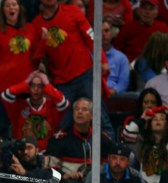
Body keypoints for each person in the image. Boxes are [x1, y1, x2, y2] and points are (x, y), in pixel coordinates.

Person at [33, 0, 114, 139]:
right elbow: (35, 58)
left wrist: (103, 61)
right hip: (60, 81)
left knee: (100, 118)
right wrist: (42, 42)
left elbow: (91, 39)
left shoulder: (73, 12)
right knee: (61, 124)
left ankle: (112, 154)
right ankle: (62, 157)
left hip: (85, 74)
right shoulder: (36, 24)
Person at [0, 0, 45, 137]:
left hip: (25, 87)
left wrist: (43, 42)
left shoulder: (31, 29)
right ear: (3, 10)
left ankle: (26, 157)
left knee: (26, 126)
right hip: (1, 87)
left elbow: (35, 59)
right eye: (7, 5)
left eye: (14, 4)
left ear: (19, 8)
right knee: (0, 126)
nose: (11, 8)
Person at [45, 97, 115, 183]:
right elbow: (49, 171)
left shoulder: (103, 140)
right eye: (77, 109)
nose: (79, 112)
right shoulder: (59, 139)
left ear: (92, 115)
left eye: (84, 109)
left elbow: (110, 168)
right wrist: (66, 175)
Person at [1, 70, 69, 150]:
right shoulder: (19, 106)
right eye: (32, 85)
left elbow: (64, 103)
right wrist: (26, 82)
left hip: (47, 153)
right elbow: (5, 95)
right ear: (28, 87)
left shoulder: (51, 105)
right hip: (23, 153)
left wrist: (47, 83)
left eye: (40, 86)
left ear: (44, 88)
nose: (36, 89)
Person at [83, 143, 148, 183]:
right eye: (114, 158)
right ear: (108, 158)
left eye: (122, 159)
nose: (118, 163)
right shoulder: (95, 175)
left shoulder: (136, 177)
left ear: (128, 161)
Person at [120, 87, 162, 163]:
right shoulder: (131, 119)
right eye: (146, 102)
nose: (149, 105)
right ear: (141, 104)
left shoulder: (162, 121)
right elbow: (127, 137)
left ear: (158, 105)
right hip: (135, 158)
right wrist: (142, 120)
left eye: (153, 102)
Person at [139, 105, 168, 183]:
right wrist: (143, 120)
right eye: (154, 119)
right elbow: (128, 135)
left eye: (162, 119)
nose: (158, 120)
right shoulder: (142, 143)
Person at [102, 19, 129, 96]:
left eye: (106, 31)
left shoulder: (121, 58)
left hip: (114, 95)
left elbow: (123, 83)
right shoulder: (89, 55)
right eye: (100, 31)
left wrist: (112, 92)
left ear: (111, 33)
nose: (103, 34)